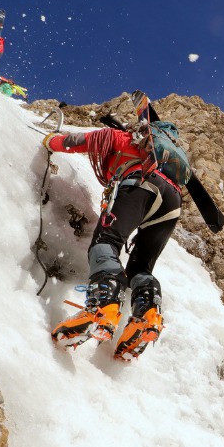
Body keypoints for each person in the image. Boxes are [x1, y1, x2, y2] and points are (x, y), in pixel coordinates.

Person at [42, 117, 182, 360]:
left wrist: (50, 141)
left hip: (141, 183)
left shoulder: (123, 138)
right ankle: (147, 317)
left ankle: (102, 307)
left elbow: (79, 141)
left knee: (105, 243)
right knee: (140, 267)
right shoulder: (171, 164)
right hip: (173, 203)